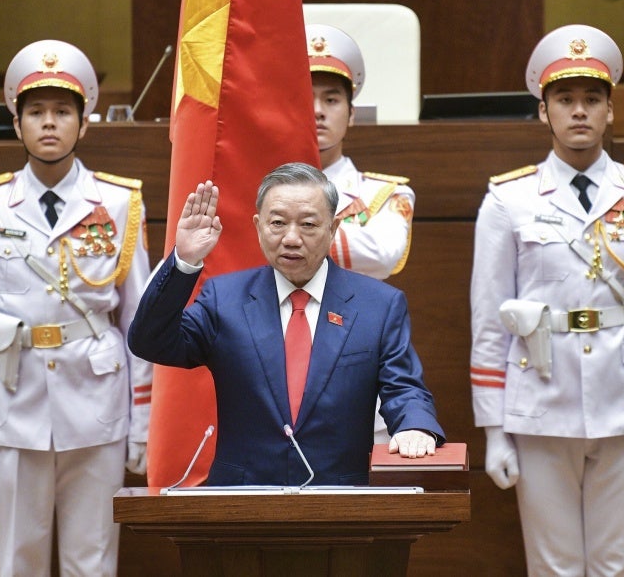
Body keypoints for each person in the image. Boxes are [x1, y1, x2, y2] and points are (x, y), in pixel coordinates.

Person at [469, 24, 624, 576]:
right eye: (564, 99)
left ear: (611, 109)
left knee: (617, 563)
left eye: (593, 99)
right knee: (553, 564)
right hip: (541, 394)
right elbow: (489, 318)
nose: (580, 111)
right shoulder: (508, 200)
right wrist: (493, 429)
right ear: (543, 112)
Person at [0, 39, 152, 576]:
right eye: (35, 111)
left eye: (62, 111)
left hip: (97, 400)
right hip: (14, 402)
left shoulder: (117, 202)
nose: (49, 123)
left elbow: (138, 320)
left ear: (84, 122)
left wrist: (144, 422)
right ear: (15, 124)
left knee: (92, 557)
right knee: (19, 557)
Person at [128, 163, 444, 486]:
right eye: (277, 223)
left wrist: (414, 427)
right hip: (240, 503)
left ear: (333, 228)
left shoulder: (378, 305)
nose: (291, 238)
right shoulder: (224, 299)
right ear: (258, 226)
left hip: (341, 502)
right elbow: (149, 341)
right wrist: (184, 261)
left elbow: (404, 388)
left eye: (308, 224)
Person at [307, 23, 415, 443]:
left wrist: (290, 228)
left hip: (358, 368)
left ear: (351, 114)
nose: (317, 110)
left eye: (331, 100)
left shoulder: (384, 193)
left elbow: (385, 254)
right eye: (306, 98)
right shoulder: (260, 191)